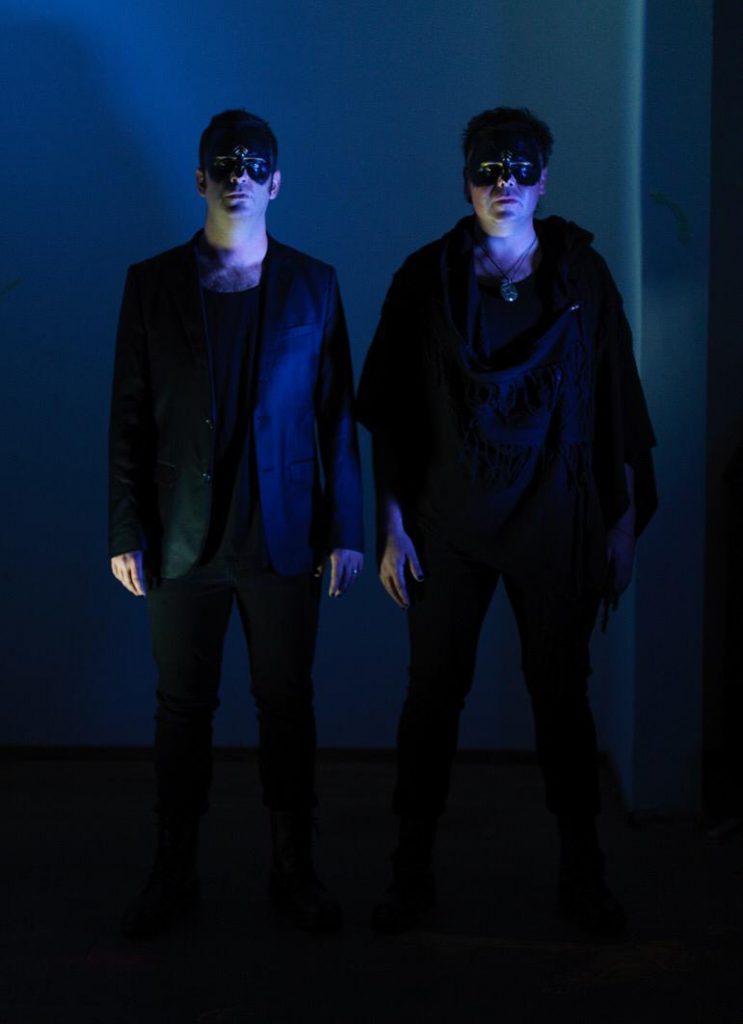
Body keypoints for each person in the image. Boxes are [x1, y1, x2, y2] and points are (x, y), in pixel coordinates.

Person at [356, 107, 656, 936]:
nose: (504, 184)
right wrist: (391, 526)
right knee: (432, 695)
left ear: (542, 180)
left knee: (561, 698)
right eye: (488, 171)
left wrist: (621, 522)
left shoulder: (580, 277)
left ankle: (582, 871)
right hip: (446, 520)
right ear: (466, 183)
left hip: (554, 518)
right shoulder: (426, 278)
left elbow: (618, 401)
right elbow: (390, 412)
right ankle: (410, 867)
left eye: (519, 169)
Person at [109, 109, 363, 938]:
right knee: (181, 709)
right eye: (224, 163)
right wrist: (124, 527)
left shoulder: (315, 283)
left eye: (255, 164)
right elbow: (128, 417)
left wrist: (346, 527)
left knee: (287, 704)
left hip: (283, 535)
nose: (239, 175)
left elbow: (336, 415)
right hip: (182, 537)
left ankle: (294, 868)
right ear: (201, 179)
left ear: (276, 181)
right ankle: (171, 870)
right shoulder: (151, 284)